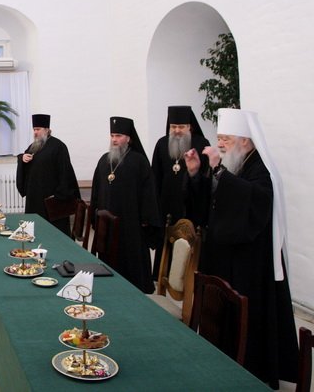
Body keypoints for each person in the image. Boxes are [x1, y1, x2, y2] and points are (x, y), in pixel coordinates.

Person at [184, 108, 297, 388]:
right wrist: (196, 174)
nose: (220, 144)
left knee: (245, 322)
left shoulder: (260, 170)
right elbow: (207, 209)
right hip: (222, 258)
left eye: (226, 139)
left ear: (245, 141)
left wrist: (219, 172)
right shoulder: (234, 164)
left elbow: (254, 200)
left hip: (248, 264)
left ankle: (247, 371)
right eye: (219, 138)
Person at [90, 116, 161, 294]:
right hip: (107, 229)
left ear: (129, 138)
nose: (114, 139)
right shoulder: (104, 160)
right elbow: (96, 191)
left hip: (131, 228)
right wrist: (94, 216)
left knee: (130, 267)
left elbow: (148, 194)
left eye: (119, 136)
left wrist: (146, 220)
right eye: (112, 135)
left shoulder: (139, 162)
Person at [150, 105, 210, 276]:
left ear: (190, 127)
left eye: (181, 127)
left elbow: (206, 179)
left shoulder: (201, 144)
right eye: (173, 126)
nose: (177, 131)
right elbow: (155, 177)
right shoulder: (162, 144)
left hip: (190, 207)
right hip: (166, 207)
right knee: (166, 251)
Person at [16, 114, 80, 235]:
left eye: (38, 129)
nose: (35, 132)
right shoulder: (34, 146)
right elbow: (25, 159)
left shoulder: (58, 146)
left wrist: (58, 196)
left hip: (51, 201)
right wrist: (22, 158)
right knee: (36, 232)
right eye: (34, 129)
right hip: (34, 198)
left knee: (54, 233)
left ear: (46, 130)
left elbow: (65, 173)